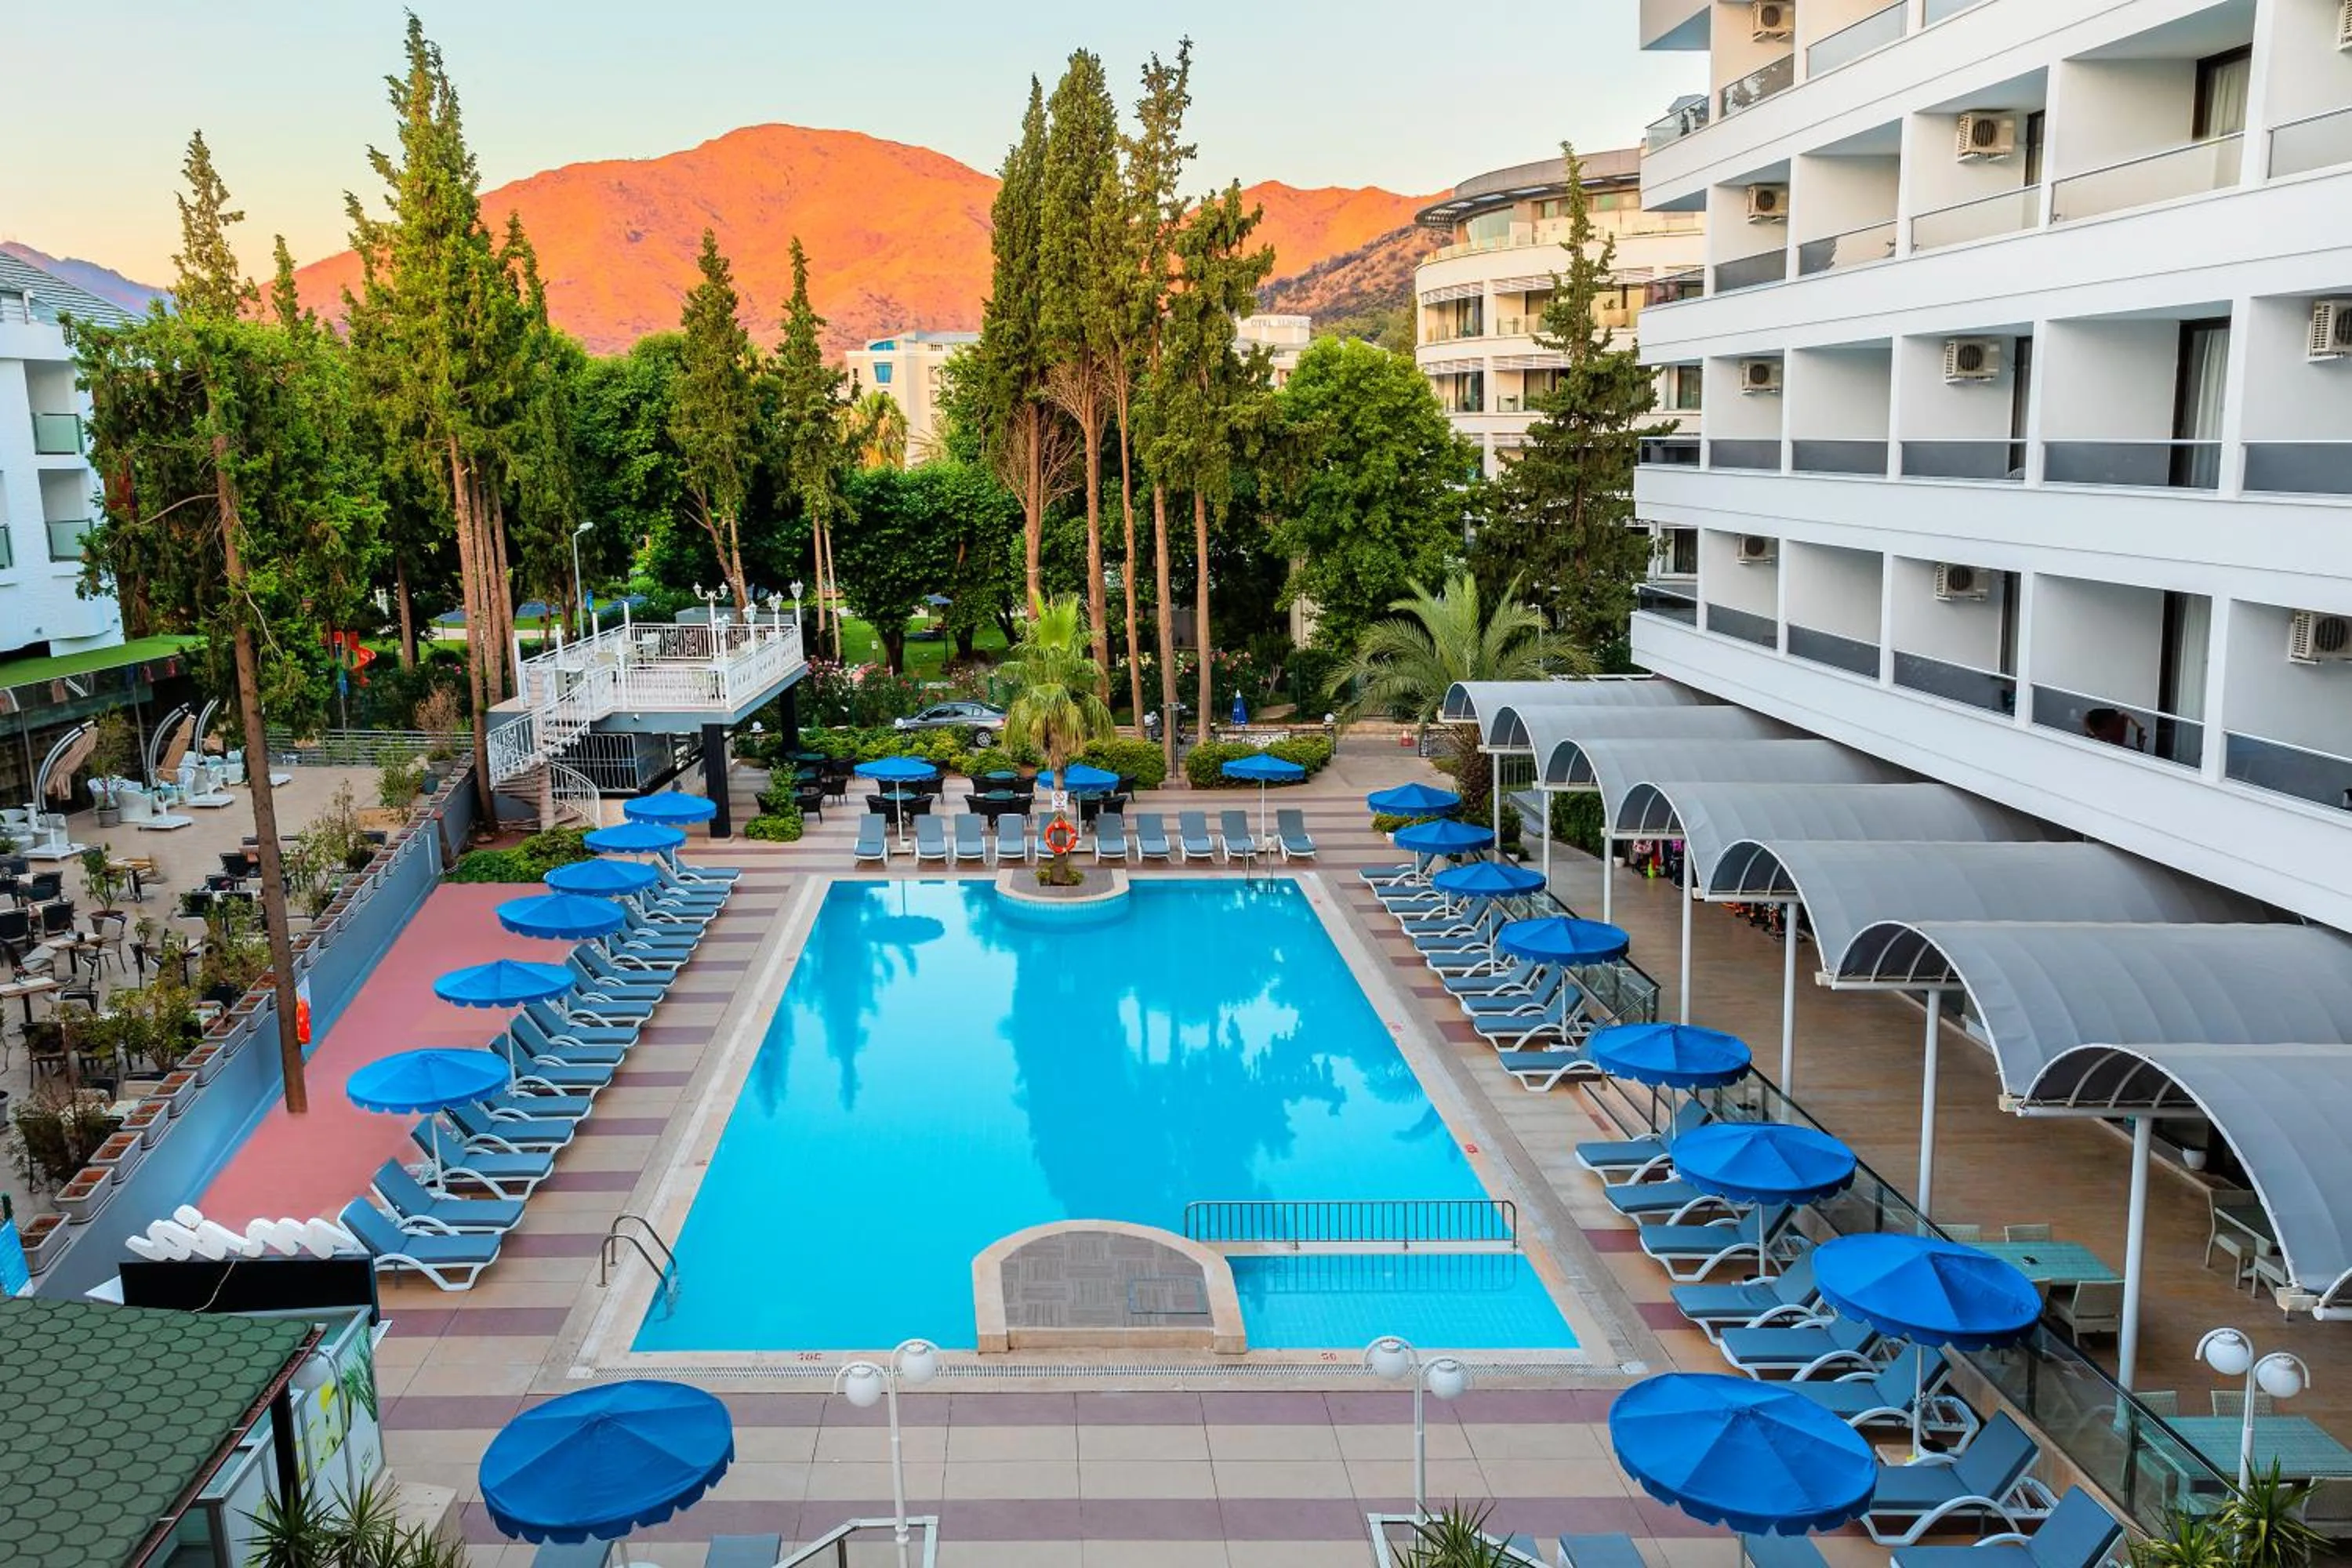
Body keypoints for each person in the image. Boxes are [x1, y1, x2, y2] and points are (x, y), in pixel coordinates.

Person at [2082, 706, 2147, 750]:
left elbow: (2125, 715)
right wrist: (2091, 732)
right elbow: (2088, 715)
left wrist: (2139, 727)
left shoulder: (2124, 747)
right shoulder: (2116, 717)